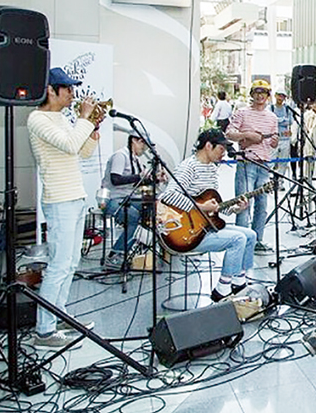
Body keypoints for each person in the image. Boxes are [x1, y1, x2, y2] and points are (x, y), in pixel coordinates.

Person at [28, 68, 100, 349]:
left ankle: (59, 316)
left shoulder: (60, 118)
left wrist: (92, 129)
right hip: (59, 200)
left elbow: (82, 152)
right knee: (58, 266)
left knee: (71, 263)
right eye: (67, 89)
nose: (72, 94)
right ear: (50, 90)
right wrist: (83, 118)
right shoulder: (37, 119)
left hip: (75, 196)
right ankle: (43, 331)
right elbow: (70, 145)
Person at [158, 129, 257, 302]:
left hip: (206, 226)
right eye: (220, 149)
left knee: (250, 235)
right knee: (238, 239)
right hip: (187, 233)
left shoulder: (211, 169)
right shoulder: (189, 167)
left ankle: (239, 281)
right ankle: (222, 288)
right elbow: (168, 196)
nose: (224, 154)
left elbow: (214, 207)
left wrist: (235, 209)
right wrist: (200, 206)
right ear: (208, 146)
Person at [226, 79, 279, 251]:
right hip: (246, 162)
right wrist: (246, 135)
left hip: (264, 164)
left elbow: (272, 143)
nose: (260, 96)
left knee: (262, 205)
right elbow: (229, 133)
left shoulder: (272, 117)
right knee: (243, 203)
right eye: (257, 92)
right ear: (252, 95)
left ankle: (257, 240)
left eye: (263, 93)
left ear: (268, 96)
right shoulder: (242, 112)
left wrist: (275, 141)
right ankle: (241, 240)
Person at [102, 132, 152, 269]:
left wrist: (155, 178)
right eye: (143, 144)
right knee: (133, 217)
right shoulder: (121, 156)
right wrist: (139, 176)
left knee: (151, 207)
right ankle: (115, 255)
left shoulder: (135, 159)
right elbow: (116, 179)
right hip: (112, 199)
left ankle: (138, 245)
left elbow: (138, 180)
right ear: (135, 141)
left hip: (126, 198)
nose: (144, 149)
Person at [270, 89, 293, 178]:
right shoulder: (270, 108)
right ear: (275, 96)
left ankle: (280, 181)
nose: (281, 98)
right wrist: (283, 119)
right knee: (271, 160)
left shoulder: (287, 109)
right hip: (273, 138)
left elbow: (290, 121)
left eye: (283, 96)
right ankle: (270, 180)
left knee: (283, 161)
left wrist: (278, 120)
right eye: (279, 95)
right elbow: (271, 121)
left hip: (285, 138)